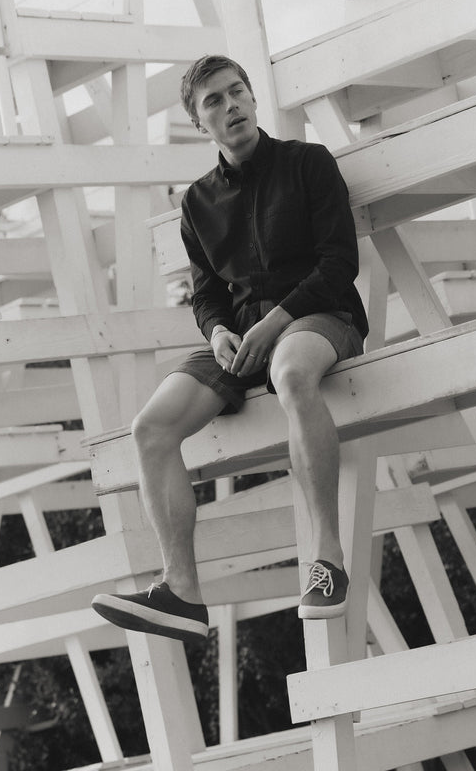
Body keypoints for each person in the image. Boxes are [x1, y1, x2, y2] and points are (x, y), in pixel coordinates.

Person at [92, 55, 368, 643]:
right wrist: (218, 332)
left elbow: (340, 262)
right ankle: (182, 593)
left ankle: (326, 560)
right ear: (200, 122)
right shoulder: (196, 203)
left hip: (320, 318)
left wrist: (278, 322)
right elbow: (207, 295)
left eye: (236, 91)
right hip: (241, 340)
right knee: (150, 428)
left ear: (253, 98)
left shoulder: (307, 163)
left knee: (293, 374)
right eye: (213, 100)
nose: (230, 105)